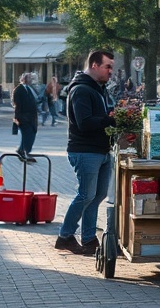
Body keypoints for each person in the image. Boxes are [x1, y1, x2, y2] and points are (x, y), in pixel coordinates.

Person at [55, 50, 117, 255]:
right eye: (107, 66)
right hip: (85, 150)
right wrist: (110, 120)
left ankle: (89, 239)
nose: (111, 71)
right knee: (86, 194)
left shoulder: (97, 88)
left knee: (97, 195)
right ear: (94, 65)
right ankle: (65, 236)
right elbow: (84, 123)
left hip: (100, 150)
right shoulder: (82, 89)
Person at [12, 72, 40, 163]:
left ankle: (22, 151)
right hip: (24, 117)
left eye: (31, 78)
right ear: (24, 79)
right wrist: (18, 118)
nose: (31, 80)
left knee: (31, 134)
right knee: (28, 135)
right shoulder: (19, 89)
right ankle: (24, 153)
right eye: (29, 78)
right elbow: (17, 105)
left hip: (31, 117)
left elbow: (34, 100)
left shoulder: (29, 88)